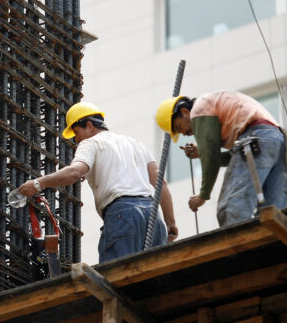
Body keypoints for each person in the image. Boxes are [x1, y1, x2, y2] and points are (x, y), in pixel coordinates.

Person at [19, 102, 178, 263]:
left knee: (117, 278)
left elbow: (74, 172)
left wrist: (37, 184)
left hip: (123, 214)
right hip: (153, 215)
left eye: (76, 132)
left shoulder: (90, 143)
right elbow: (161, 182)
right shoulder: (134, 143)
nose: (76, 139)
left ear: (89, 126)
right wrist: (170, 223)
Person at [155, 90, 287, 227]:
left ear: (185, 111)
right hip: (278, 142)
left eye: (178, 127)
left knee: (230, 208)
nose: (183, 133)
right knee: (271, 212)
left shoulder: (199, 109)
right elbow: (236, 158)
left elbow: (211, 157)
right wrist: (203, 152)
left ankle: (238, 246)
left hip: (254, 140)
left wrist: (203, 195)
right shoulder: (217, 109)